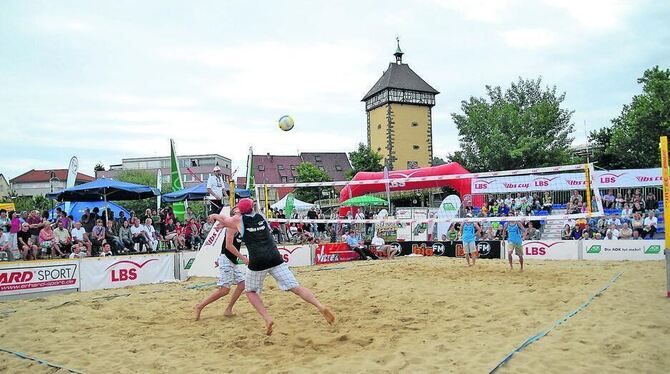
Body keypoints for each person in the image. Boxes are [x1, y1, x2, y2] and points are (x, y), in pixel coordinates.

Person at [209, 198, 334, 335]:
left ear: (240, 211)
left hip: (258, 260)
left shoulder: (238, 220)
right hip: (275, 257)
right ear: (252, 208)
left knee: (250, 291)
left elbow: (224, 219)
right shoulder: (261, 216)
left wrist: (214, 216)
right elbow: (233, 222)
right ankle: (319, 305)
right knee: (296, 287)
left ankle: (267, 318)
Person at [195, 208, 246, 321]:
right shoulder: (231, 227)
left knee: (242, 285)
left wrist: (216, 217)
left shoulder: (238, 225)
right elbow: (228, 246)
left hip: (230, 259)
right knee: (224, 290)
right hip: (227, 259)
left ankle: (228, 309)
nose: (240, 213)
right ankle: (200, 306)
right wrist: (214, 216)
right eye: (238, 212)